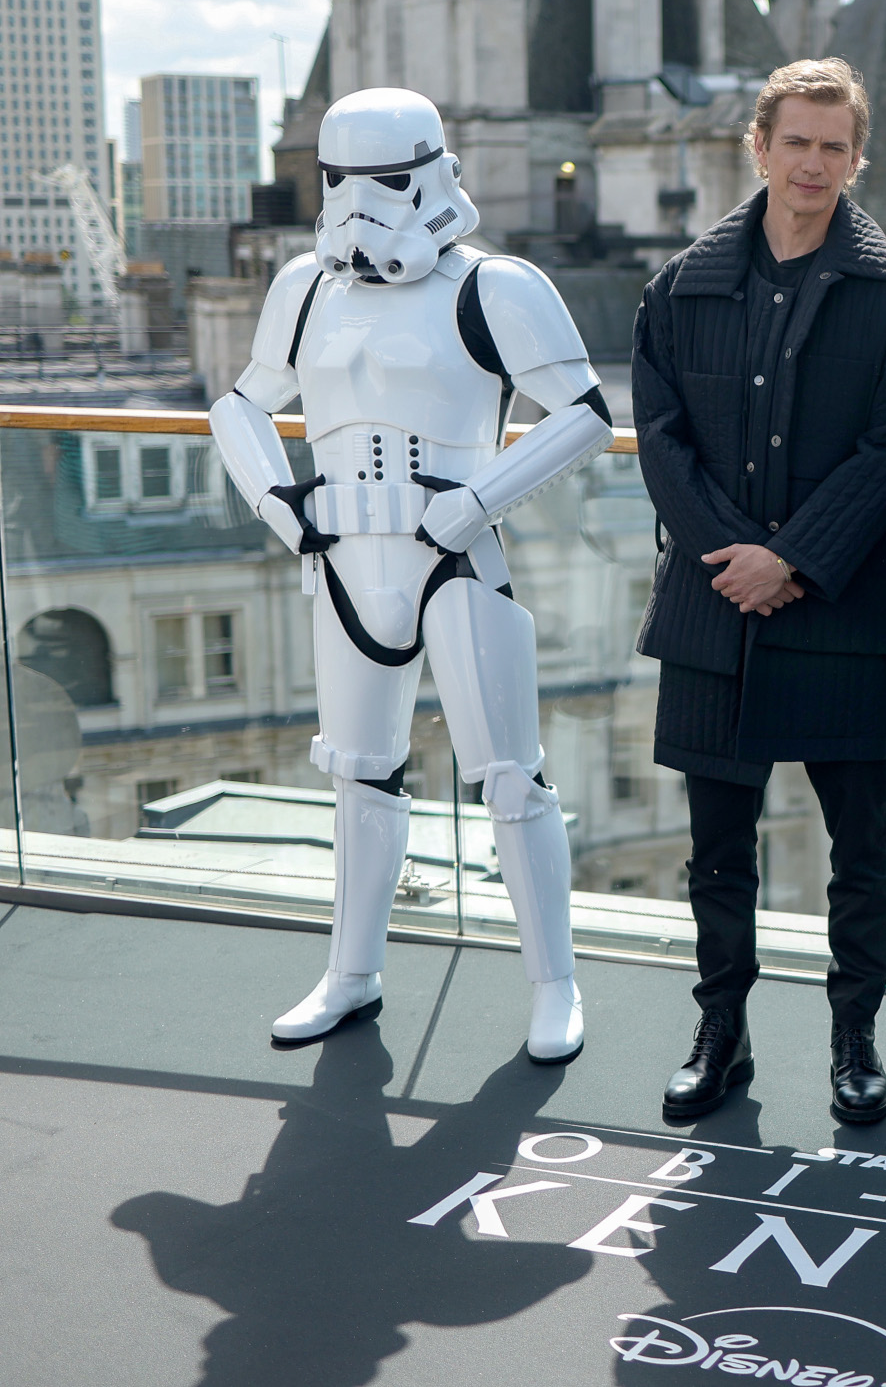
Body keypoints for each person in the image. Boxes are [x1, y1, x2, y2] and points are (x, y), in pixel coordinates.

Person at [210, 87, 612, 1061]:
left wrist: (476, 501)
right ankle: (351, 970)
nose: (361, 202)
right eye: (339, 179)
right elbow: (239, 405)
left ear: (433, 170)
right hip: (344, 558)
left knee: (509, 778)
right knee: (357, 776)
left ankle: (553, 982)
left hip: (454, 559)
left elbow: (585, 414)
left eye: (385, 178)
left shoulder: (496, 286)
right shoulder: (303, 290)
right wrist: (280, 504)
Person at [631, 59, 886, 1126]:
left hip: (839, 604)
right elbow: (661, 443)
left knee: (862, 848)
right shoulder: (677, 285)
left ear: (857, 160)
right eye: (795, 142)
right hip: (714, 604)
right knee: (715, 848)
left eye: (833, 147)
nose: (813, 164)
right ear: (756, 147)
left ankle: (854, 1040)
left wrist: (791, 560)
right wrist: (736, 559)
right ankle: (722, 1033)